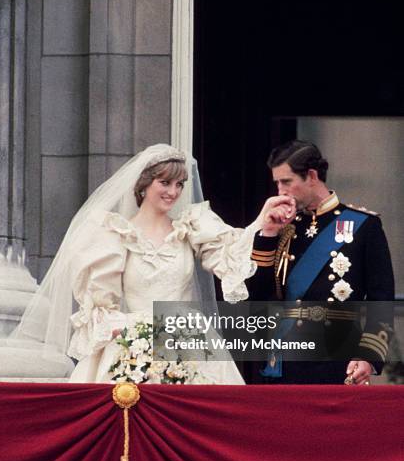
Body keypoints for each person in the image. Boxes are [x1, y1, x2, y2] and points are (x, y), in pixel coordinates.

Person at [15, 143, 264, 384]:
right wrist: (137, 337)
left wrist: (262, 224)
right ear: (144, 185)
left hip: (189, 341)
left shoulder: (191, 228)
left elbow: (231, 259)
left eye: (179, 184)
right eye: (165, 182)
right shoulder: (115, 235)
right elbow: (101, 309)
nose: (174, 192)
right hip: (134, 345)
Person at [245, 140, 395, 385]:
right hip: (287, 361)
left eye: (286, 182)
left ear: (311, 176)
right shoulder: (283, 228)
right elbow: (256, 298)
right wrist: (268, 234)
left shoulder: (364, 225)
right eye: (277, 183)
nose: (280, 191)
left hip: (339, 359)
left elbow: (382, 300)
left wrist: (368, 355)